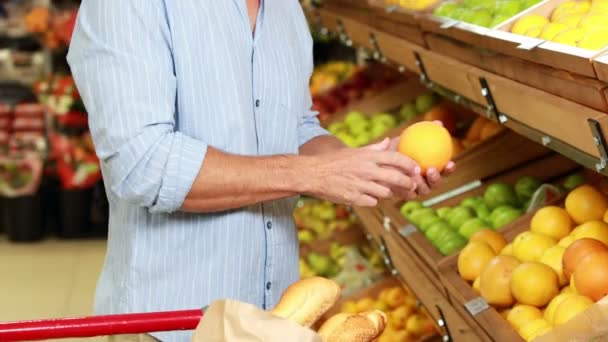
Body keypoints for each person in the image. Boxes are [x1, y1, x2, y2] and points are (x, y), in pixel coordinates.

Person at [67, 0, 454, 340]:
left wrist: (369, 167)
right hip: (171, 326)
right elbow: (143, 163)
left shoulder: (285, 10)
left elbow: (296, 127)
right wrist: (312, 175)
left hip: (276, 321)